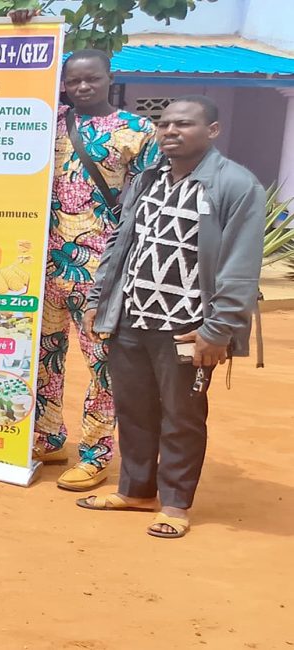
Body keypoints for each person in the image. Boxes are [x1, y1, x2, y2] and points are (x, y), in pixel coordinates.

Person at [78, 95, 264, 540]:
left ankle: (176, 503)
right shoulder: (145, 180)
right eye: (163, 125)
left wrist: (218, 330)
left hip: (189, 330)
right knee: (135, 409)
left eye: (184, 124)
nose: (170, 132)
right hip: (131, 320)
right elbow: (119, 245)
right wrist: (99, 300)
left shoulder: (236, 185)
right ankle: (137, 490)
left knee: (181, 415)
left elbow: (240, 267)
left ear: (212, 131)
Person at [37, 49, 159, 491]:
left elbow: (149, 200)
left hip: (100, 268)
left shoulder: (137, 130)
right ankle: (48, 437)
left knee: (102, 364)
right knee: (43, 357)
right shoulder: (44, 121)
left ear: (110, 78)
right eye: (75, 80)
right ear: (64, 82)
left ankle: (96, 453)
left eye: (93, 78)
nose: (83, 86)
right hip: (38, 265)